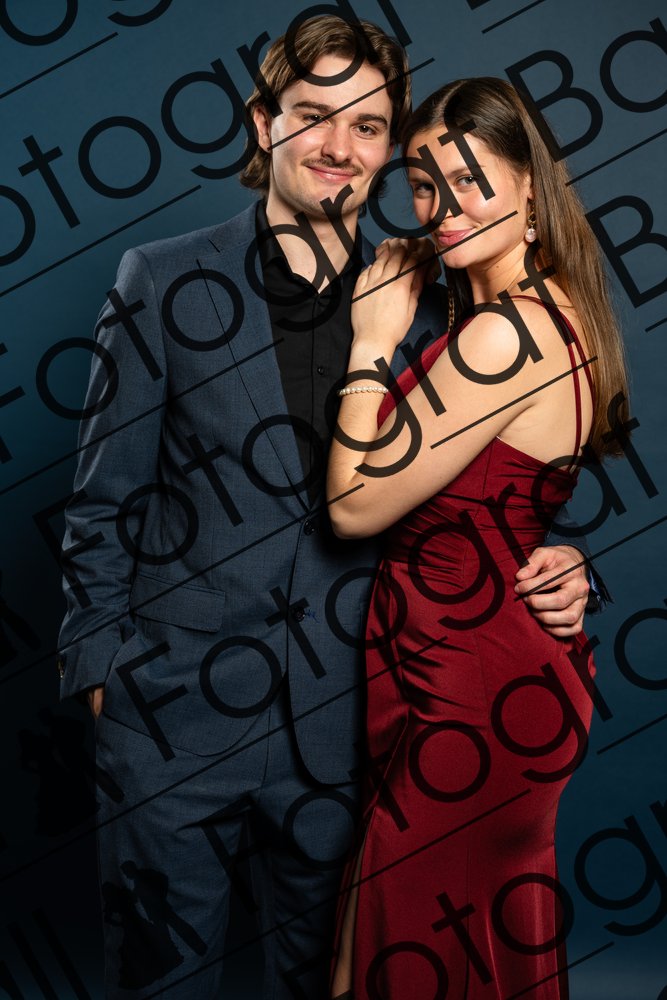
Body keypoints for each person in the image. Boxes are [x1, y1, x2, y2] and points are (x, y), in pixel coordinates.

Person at [57, 20, 594, 998]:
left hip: (352, 729)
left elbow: (488, 478)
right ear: (264, 124)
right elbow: (103, 502)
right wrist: (104, 687)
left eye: (368, 125)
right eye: (313, 116)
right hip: (173, 724)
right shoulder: (160, 279)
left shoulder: (440, 302)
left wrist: (566, 559)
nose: (338, 146)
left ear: (389, 148)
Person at [327, 77, 627, 999]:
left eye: (468, 179)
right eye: (423, 185)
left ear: (529, 184)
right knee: (410, 949)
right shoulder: (560, 310)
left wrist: (370, 343)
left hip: (472, 700)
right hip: (483, 677)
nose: (441, 208)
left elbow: (351, 508)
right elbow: (511, 503)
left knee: (388, 956)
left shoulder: (504, 335)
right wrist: (576, 563)